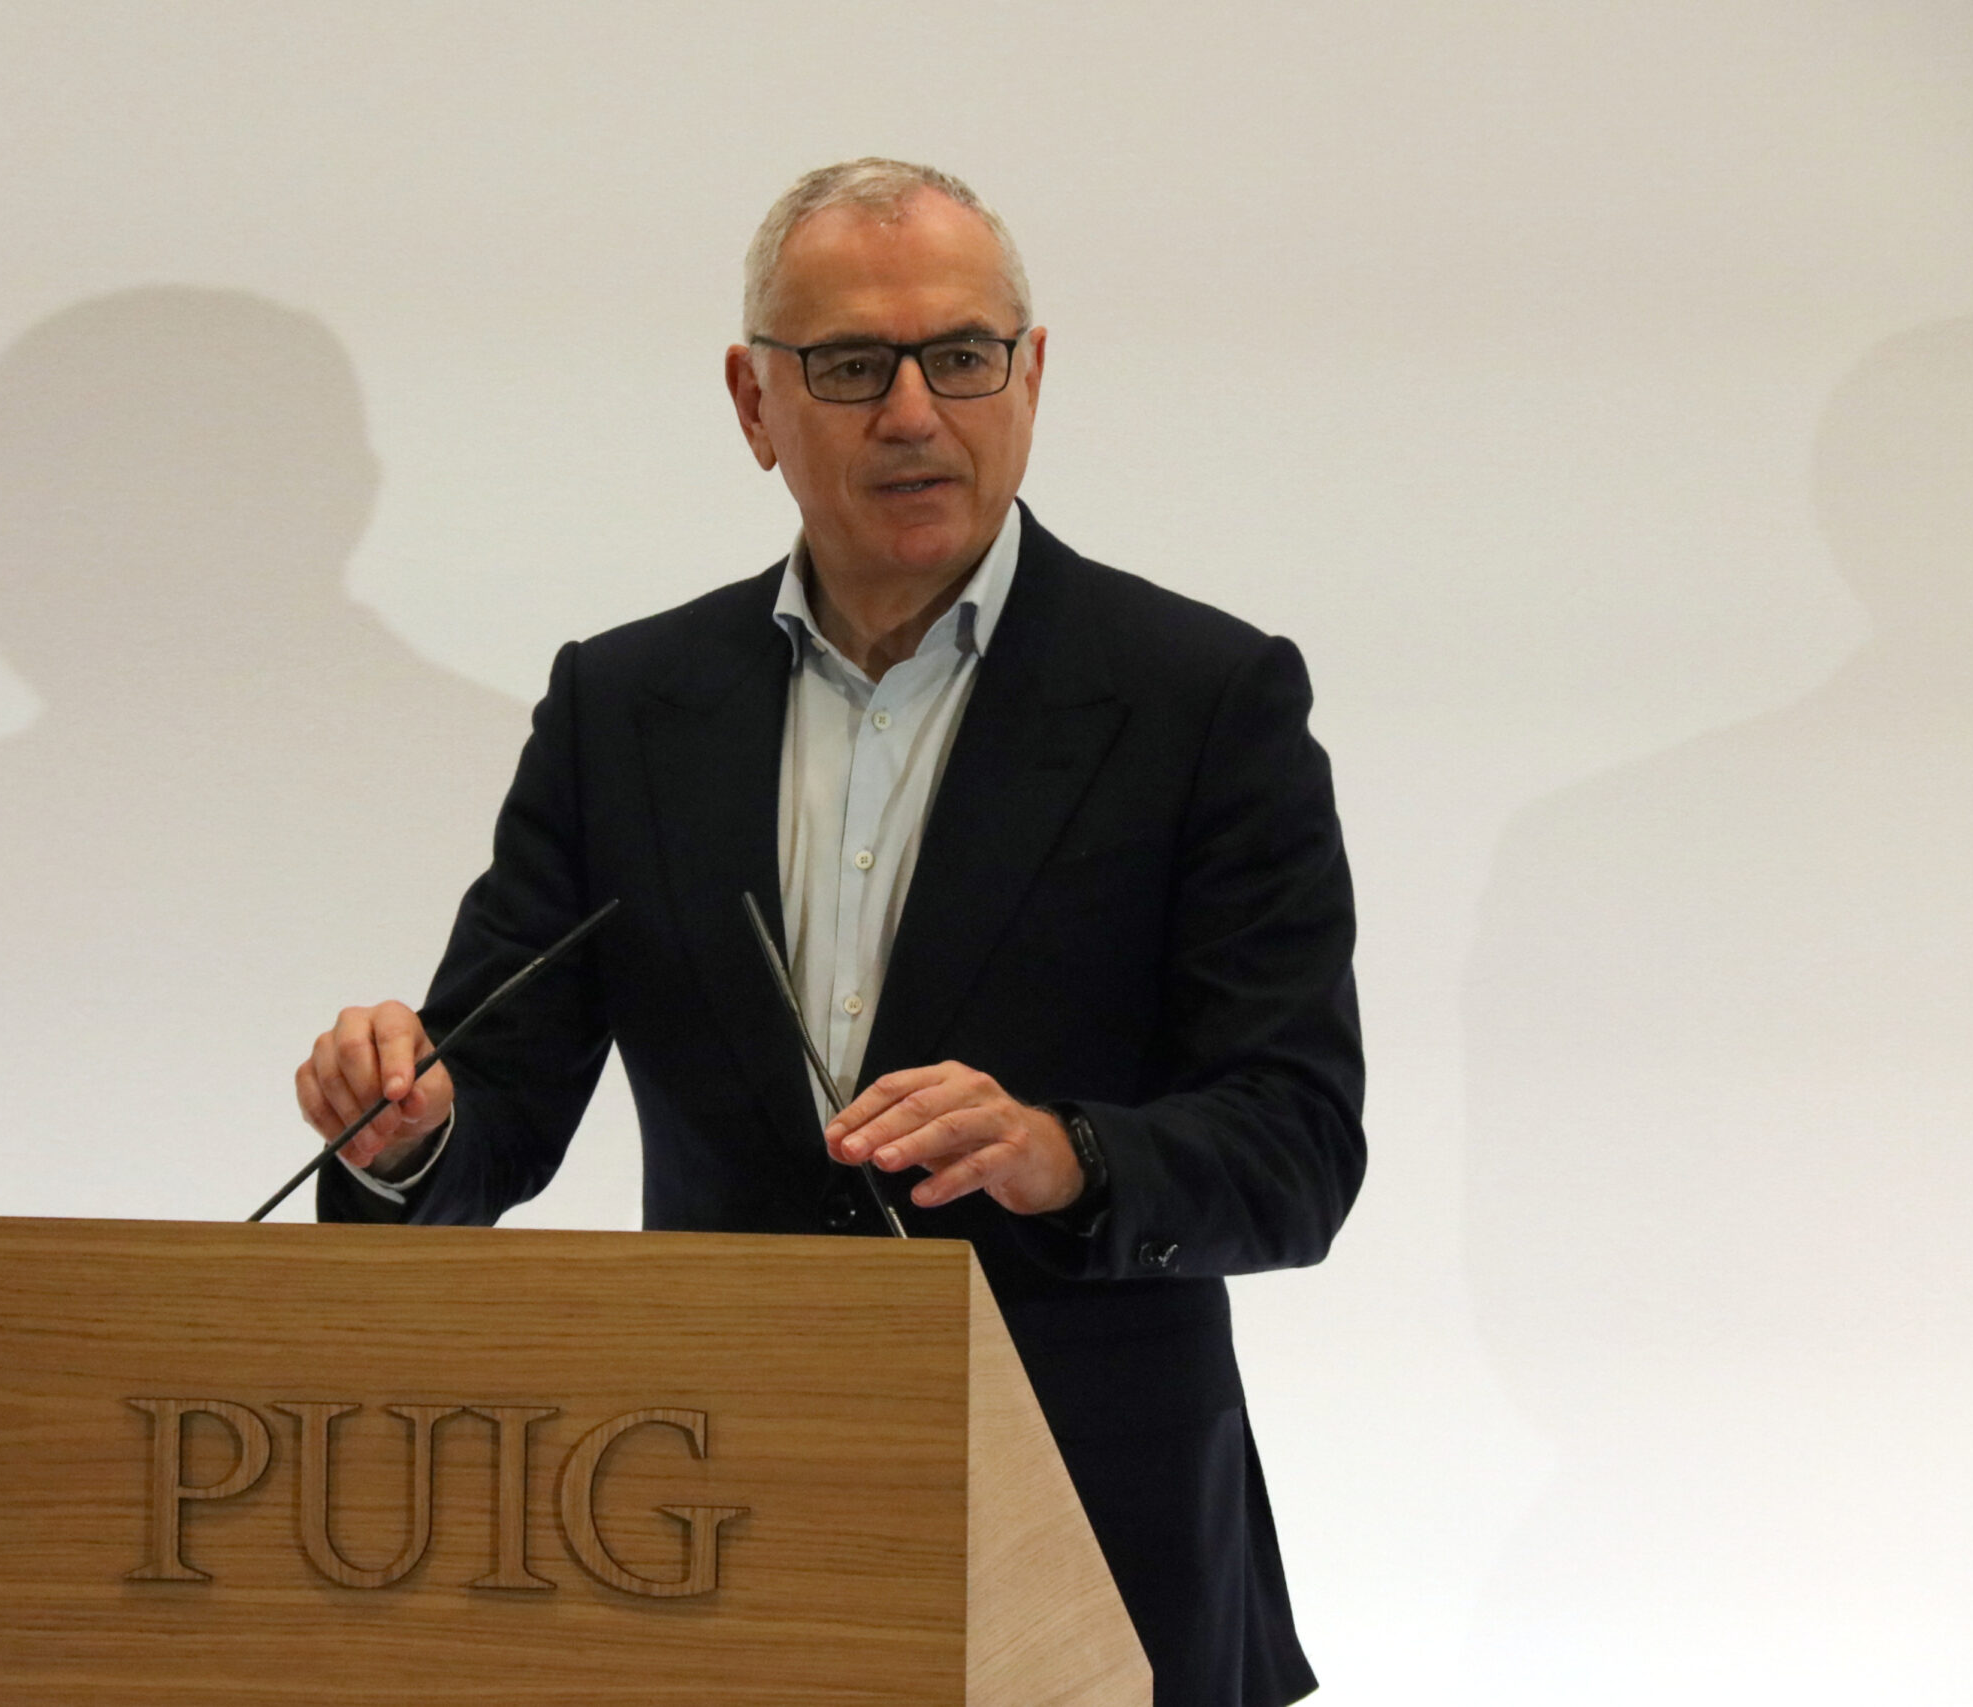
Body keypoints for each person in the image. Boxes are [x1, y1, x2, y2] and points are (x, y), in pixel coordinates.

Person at [295, 159, 1365, 1707]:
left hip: (1094, 1548)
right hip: (700, 1528)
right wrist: (410, 1123)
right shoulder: (626, 708)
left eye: (963, 356)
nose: (915, 412)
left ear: (1033, 375)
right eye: (853, 366)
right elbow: (495, 1091)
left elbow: (1298, 1144)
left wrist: (1062, 1153)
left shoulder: (1204, 699)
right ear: (755, 403)